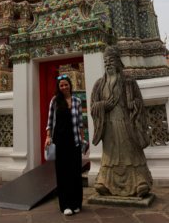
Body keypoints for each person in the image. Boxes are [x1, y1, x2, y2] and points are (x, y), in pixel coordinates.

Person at [91, 46, 152, 197]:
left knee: (131, 153)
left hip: (127, 123)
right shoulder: (99, 84)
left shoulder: (129, 82)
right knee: (110, 155)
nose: (108, 64)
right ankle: (105, 182)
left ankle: (139, 182)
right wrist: (103, 106)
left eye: (111, 61)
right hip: (108, 125)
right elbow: (93, 106)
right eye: (105, 62)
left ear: (118, 62)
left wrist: (134, 104)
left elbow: (140, 101)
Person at [45, 74, 84, 216]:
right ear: (58, 87)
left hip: (74, 141)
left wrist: (83, 139)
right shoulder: (55, 101)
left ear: (70, 85)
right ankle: (65, 205)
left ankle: (76, 203)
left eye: (66, 84)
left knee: (75, 173)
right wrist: (48, 137)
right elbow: (49, 121)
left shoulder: (77, 101)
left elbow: (80, 123)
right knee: (63, 174)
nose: (64, 87)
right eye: (61, 85)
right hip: (60, 142)